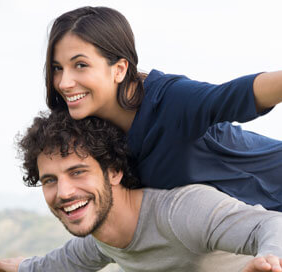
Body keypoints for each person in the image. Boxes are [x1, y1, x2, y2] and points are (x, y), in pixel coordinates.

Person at [0, 110, 282, 272]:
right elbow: (60, 264)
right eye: (50, 180)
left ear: (114, 171)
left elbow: (269, 224)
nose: (63, 192)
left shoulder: (179, 212)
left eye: (78, 172)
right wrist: (21, 269)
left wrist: (271, 259)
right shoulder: (102, 238)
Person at [44, 6, 282, 213]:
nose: (64, 83)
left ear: (119, 69)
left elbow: (234, 95)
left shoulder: (171, 101)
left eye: (80, 65)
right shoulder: (89, 133)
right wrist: (34, 266)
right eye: (57, 68)